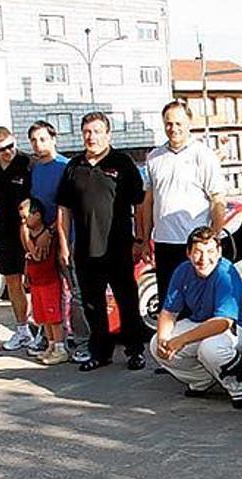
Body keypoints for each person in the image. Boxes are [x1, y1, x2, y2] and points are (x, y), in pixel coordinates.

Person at [56, 112, 147, 372]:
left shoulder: (122, 163)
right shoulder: (74, 166)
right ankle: (101, 352)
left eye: (97, 131)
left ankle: (135, 351)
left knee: (127, 301)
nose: (91, 137)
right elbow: (64, 209)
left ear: (108, 134)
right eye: (87, 132)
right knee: (92, 304)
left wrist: (140, 239)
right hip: (85, 249)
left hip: (118, 247)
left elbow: (139, 205)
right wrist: (64, 243)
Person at [150, 227, 242, 409]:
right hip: (203, 321)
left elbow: (223, 323)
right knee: (156, 344)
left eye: (210, 251)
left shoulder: (225, 273)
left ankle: (241, 387)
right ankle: (204, 379)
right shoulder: (183, 271)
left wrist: (182, 340)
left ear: (219, 252)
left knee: (211, 349)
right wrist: (165, 340)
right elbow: (169, 312)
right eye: (198, 252)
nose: (204, 259)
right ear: (188, 253)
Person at [139, 101, 227, 309]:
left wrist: (215, 237)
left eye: (178, 123)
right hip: (164, 243)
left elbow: (217, 199)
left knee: (197, 302)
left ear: (189, 123)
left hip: (195, 243)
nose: (173, 129)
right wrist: (144, 240)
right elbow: (148, 201)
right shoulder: (154, 157)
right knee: (169, 302)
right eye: (169, 124)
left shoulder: (203, 155)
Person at [27, 120, 91, 363]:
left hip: (66, 238)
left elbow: (68, 208)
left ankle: (83, 341)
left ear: (53, 139)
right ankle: (53, 340)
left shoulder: (65, 167)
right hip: (43, 242)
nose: (38, 144)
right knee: (47, 292)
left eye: (43, 139)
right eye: (34, 140)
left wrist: (51, 233)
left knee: (75, 292)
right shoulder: (35, 170)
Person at [0, 127, 34, 352]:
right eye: (2, 149)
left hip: (29, 226)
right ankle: (22, 328)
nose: (8, 152)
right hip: (5, 227)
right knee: (12, 280)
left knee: (36, 280)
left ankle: (44, 328)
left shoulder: (27, 163)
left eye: (11, 146)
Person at [18, 198, 66, 364]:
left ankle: (60, 347)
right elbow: (27, 256)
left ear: (37, 215)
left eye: (26, 218)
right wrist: (26, 275)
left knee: (53, 316)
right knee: (42, 316)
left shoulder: (44, 236)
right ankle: (51, 345)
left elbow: (36, 254)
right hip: (36, 281)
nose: (23, 223)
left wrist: (25, 235)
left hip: (49, 281)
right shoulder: (30, 234)